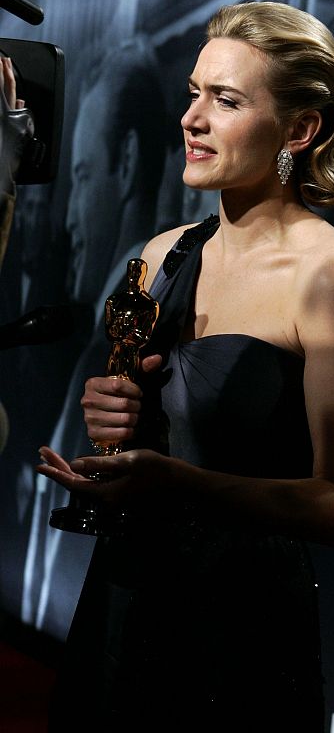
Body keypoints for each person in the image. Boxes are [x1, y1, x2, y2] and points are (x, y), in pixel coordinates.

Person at [36, 1, 334, 732]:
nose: (192, 117)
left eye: (224, 100)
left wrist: (177, 483)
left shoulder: (329, 278)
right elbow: (131, 419)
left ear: (299, 129)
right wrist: (112, 416)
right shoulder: (163, 256)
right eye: (194, 92)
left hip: (242, 632)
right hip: (127, 599)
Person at [21, 36, 168, 637]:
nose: (71, 217)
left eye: (82, 178)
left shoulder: (139, 331)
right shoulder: (100, 329)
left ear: (128, 165)